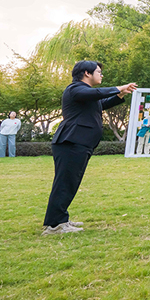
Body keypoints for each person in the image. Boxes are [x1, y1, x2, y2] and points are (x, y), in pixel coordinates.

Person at [42, 61, 136, 235]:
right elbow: (97, 94)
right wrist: (118, 87)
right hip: (71, 143)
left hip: (79, 143)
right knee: (65, 184)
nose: (101, 75)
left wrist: (120, 95)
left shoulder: (86, 95)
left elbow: (101, 103)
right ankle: (54, 225)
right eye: (98, 72)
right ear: (87, 73)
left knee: (70, 183)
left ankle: (60, 219)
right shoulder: (75, 89)